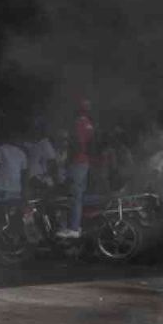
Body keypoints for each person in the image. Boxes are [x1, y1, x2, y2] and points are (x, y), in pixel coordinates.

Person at [58, 99, 96, 238]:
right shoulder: (89, 124)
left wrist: (69, 159)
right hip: (85, 162)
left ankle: (73, 228)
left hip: (77, 162)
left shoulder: (78, 123)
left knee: (75, 196)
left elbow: (78, 145)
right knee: (80, 195)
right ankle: (78, 225)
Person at [0, 140, 29, 204]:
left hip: (16, 189)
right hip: (3, 188)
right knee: (1, 209)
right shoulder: (1, 149)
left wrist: (24, 190)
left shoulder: (21, 153)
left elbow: (24, 173)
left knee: (14, 210)